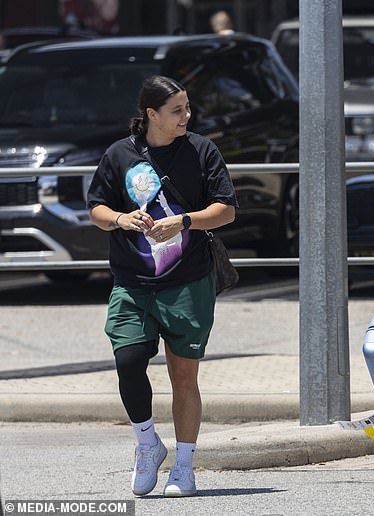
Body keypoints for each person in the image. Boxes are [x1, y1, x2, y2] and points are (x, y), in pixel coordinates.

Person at [87, 75, 237, 497]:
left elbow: (226, 210)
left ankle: (184, 467)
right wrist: (120, 219)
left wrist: (184, 220)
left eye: (188, 107)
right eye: (177, 110)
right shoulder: (119, 154)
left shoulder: (202, 150)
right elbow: (96, 206)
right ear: (151, 114)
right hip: (132, 282)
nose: (186, 116)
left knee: (184, 376)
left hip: (188, 281)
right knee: (129, 360)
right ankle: (148, 443)